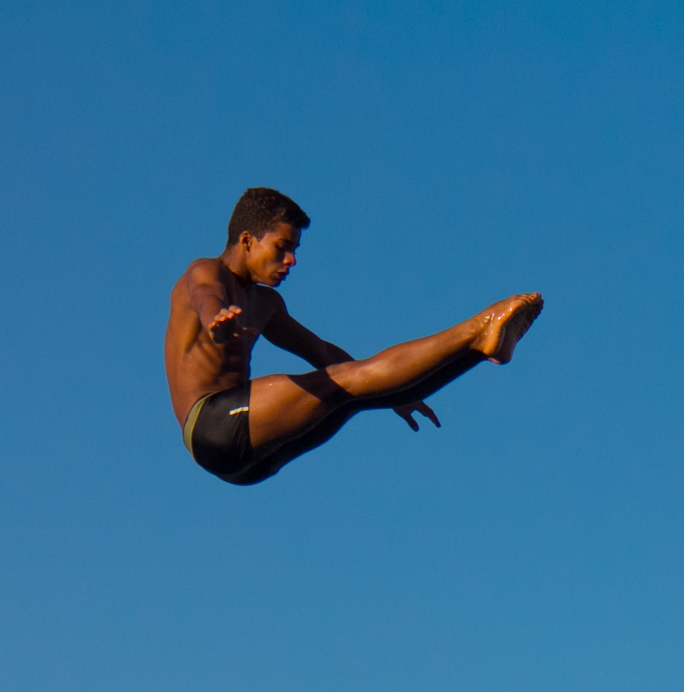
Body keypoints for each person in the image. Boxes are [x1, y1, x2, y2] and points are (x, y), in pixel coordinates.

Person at [165, 186, 543, 486]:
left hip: (249, 466)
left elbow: (320, 351)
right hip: (211, 426)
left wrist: (398, 389)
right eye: (282, 248)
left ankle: (481, 349)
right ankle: (479, 326)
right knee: (344, 384)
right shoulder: (205, 272)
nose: (291, 261)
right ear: (247, 240)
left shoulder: (266, 303)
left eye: (294, 250)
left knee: (352, 395)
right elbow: (204, 296)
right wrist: (217, 318)